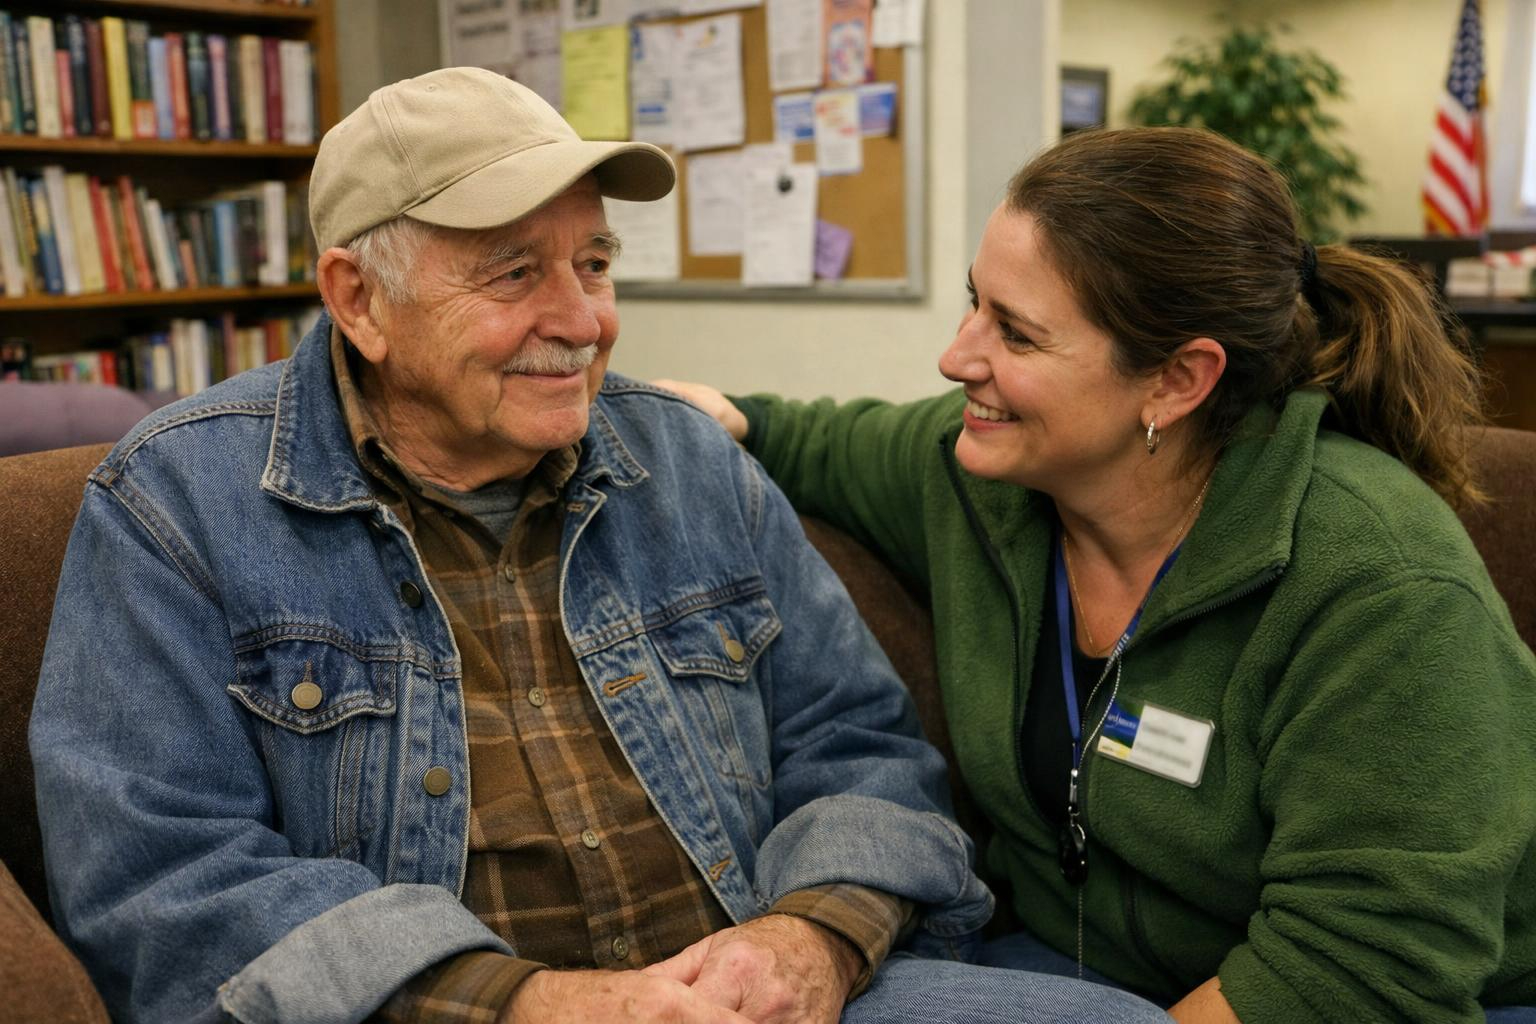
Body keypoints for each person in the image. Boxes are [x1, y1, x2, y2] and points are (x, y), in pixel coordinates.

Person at [29, 68, 1178, 1024]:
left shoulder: (684, 459)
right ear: (359, 300)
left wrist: (811, 938)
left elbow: (862, 740)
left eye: (593, 263)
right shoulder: (178, 502)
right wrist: (537, 1004)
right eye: (515, 271)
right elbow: (166, 879)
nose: (582, 321)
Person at [658, 126, 1536, 1024]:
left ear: (1175, 381)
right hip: (1073, 964)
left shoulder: (1381, 583)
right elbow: (809, 440)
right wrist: (666, 419)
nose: (957, 357)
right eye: (974, 303)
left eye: (1017, 334)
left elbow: (1365, 965)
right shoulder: (976, 477)